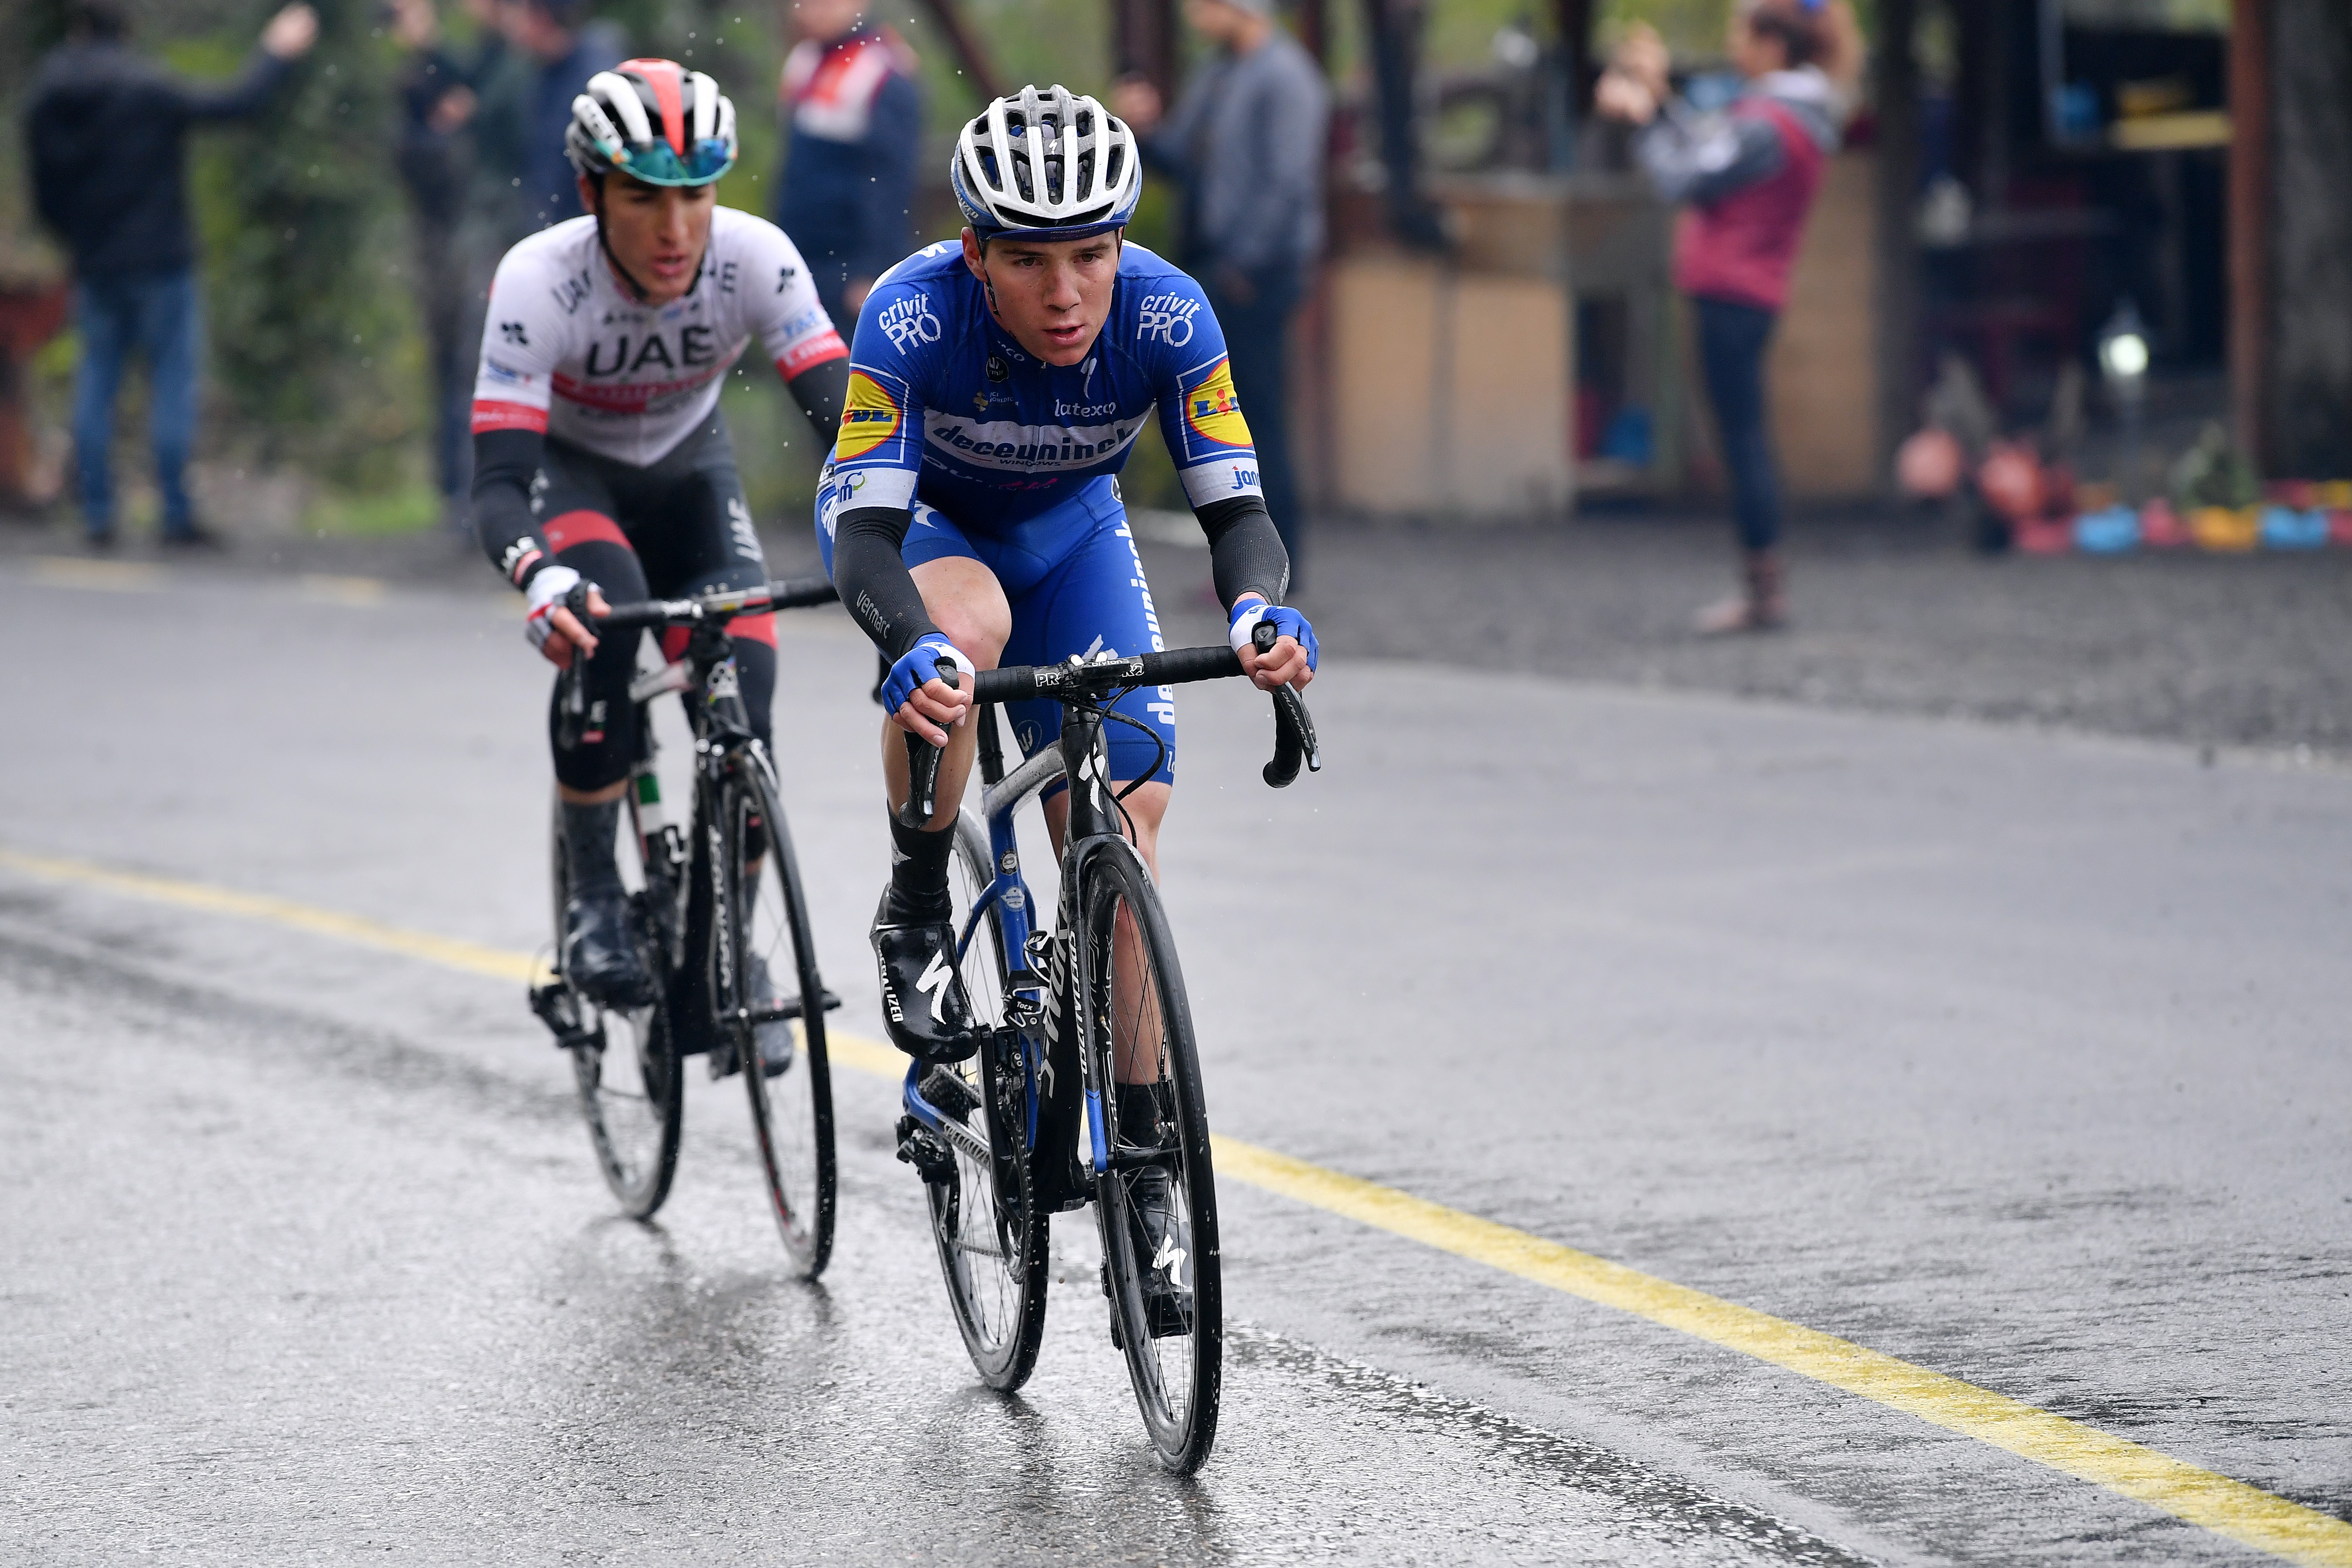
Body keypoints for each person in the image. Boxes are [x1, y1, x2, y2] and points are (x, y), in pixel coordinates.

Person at [817, 85, 1316, 1320]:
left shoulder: (1167, 309)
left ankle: (1141, 1166)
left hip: (1075, 536)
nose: (1064, 292)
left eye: (1088, 256)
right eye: (1029, 261)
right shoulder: (910, 313)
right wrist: (909, 642)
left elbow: (1237, 516)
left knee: (1128, 817)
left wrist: (1255, 612)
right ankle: (920, 895)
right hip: (927, 532)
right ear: (974, 251)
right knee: (965, 637)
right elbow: (867, 534)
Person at [471, 59, 850, 1053]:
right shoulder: (537, 280)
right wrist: (537, 573)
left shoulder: (756, 259)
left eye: (697, 194)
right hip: (575, 482)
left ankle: (731, 940)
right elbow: (499, 482)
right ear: (593, 191)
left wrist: (908, 540)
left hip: (691, 478)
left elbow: (856, 429)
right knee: (607, 614)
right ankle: (595, 894)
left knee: (747, 685)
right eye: (644, 198)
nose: (677, 229)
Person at [1596, 0, 1854, 634]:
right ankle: (1763, 584)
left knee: (1742, 439)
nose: (1735, 50)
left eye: (1742, 37)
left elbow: (1686, 177)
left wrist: (1643, 124)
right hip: (1753, 292)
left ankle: (1763, 588)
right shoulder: (1793, 115)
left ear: (1771, 44)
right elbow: (1712, 152)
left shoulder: (1768, 121)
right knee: (1745, 435)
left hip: (1732, 291)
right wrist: (1662, 106)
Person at [24, 0, 319, 549]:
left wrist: (77, 237)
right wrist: (277, 54)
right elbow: (236, 104)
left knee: (97, 382)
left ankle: (98, 511)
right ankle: (175, 512)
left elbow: (44, 191)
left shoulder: (47, 97)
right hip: (161, 259)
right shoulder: (146, 88)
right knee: (172, 385)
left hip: (95, 260)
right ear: (127, 29)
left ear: (77, 28)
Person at [1112, 0, 1328, 590]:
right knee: (1217, 419)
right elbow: (1185, 163)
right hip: (1217, 267)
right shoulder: (1219, 72)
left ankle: (1278, 572)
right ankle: (1244, 568)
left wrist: (1243, 264)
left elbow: (1287, 184)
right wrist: (1146, 131)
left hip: (1255, 276)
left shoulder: (1286, 76)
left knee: (1258, 420)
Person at [388, 0, 504, 523]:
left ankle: (469, 494)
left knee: (470, 367)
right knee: (455, 367)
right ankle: (456, 493)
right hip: (446, 241)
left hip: (473, 238)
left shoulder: (501, 64)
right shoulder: (415, 76)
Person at [771, 0, 923, 335]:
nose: (810, 10)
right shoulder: (805, 60)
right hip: (802, 259)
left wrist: (873, 271)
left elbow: (892, 184)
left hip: (848, 272)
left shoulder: (882, 70)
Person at [485, 0, 627, 235]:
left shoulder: (593, 77)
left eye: (517, 13)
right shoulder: (542, 72)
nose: (511, 24)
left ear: (541, 18)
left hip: (588, 229)